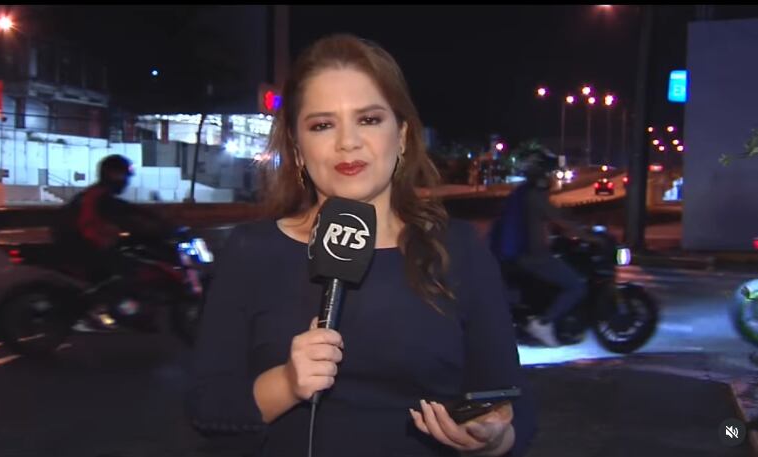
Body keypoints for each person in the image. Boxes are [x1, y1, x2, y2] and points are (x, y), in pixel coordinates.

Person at [187, 34, 536, 457]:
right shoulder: (251, 252)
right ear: (298, 147)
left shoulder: (460, 249)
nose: (347, 142)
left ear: (402, 135)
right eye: (322, 125)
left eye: (369, 119)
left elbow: (511, 402)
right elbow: (207, 407)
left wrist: (493, 438)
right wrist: (287, 383)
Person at [52, 154, 165, 332]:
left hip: (78, 242)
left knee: (123, 261)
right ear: (112, 174)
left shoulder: (98, 194)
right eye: (123, 176)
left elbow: (126, 210)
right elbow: (125, 215)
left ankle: (111, 309)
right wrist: (152, 227)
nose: (126, 181)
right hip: (80, 245)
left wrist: (150, 218)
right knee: (129, 269)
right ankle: (117, 313)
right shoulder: (100, 197)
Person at [489, 146, 588, 347]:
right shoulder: (535, 196)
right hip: (534, 257)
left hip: (522, 254)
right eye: (549, 172)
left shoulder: (522, 193)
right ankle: (543, 322)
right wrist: (590, 236)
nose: (551, 176)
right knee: (577, 286)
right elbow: (559, 220)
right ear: (540, 173)